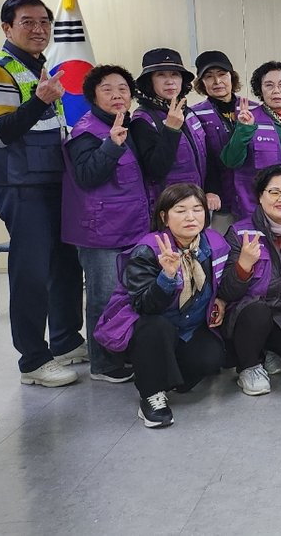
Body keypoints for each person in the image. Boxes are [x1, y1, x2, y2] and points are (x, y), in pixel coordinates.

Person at [0, 0, 85, 387]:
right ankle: (33, 361)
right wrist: (39, 102)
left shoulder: (40, 67)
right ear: (7, 28)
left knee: (66, 265)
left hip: (54, 180)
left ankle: (66, 341)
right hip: (21, 186)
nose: (39, 29)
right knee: (31, 273)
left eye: (44, 22)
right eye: (28, 22)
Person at [94, 183, 229, 428]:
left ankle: (167, 373)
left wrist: (222, 299)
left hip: (188, 328)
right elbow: (143, 306)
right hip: (150, 327)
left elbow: (223, 282)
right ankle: (151, 394)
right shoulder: (148, 249)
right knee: (156, 327)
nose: (191, 217)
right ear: (164, 216)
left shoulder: (213, 243)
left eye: (197, 209)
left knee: (211, 358)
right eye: (181, 210)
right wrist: (167, 276)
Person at [61, 64, 148, 384]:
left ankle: (122, 350)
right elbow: (87, 176)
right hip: (101, 231)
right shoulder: (85, 131)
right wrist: (110, 145)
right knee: (103, 298)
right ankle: (103, 363)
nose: (116, 95)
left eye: (123, 89)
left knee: (127, 295)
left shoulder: (126, 124)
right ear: (93, 95)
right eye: (107, 89)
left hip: (130, 225)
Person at [218, 165, 281, 396]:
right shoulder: (240, 233)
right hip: (246, 315)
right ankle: (248, 367)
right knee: (258, 313)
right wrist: (243, 266)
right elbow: (225, 291)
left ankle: (267, 351)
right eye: (274, 192)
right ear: (260, 196)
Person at [221, 61, 281, 221]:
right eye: (269, 85)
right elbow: (231, 161)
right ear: (260, 89)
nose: (276, 90)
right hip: (253, 210)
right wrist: (244, 129)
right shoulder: (249, 119)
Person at [129, 48, 208, 210]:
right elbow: (155, 170)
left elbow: (207, 156)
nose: (170, 81)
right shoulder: (142, 120)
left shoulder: (188, 111)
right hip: (170, 208)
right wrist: (171, 130)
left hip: (198, 202)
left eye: (175, 74)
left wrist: (211, 190)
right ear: (149, 81)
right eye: (161, 75)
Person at [190, 50, 247, 233]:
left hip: (251, 198)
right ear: (201, 83)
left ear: (232, 77)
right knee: (220, 245)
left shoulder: (252, 109)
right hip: (218, 200)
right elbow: (201, 159)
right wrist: (209, 189)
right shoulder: (194, 114)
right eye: (209, 76)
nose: (217, 81)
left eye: (222, 74)